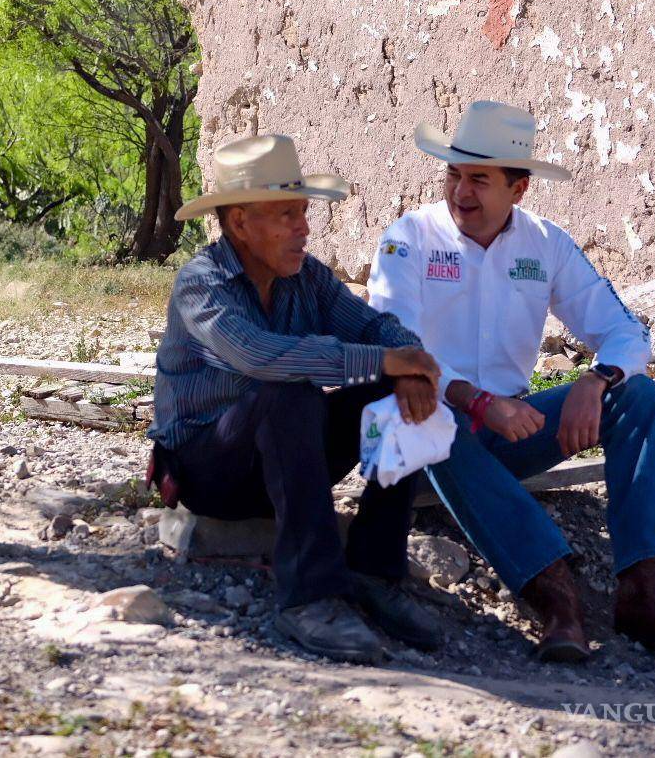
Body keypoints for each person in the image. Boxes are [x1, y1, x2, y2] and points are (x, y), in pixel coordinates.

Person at [367, 101, 655, 663]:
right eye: (454, 174)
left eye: (479, 180)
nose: (460, 192)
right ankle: (557, 598)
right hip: (420, 438)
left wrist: (596, 380)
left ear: (518, 189)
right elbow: (393, 342)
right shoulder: (409, 238)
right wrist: (476, 400)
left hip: (509, 429)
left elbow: (625, 332)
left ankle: (647, 594)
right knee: (428, 415)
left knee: (636, 393)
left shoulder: (546, 243)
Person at [148, 133, 443, 664]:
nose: (303, 227)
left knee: (390, 392)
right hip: (210, 471)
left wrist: (409, 365)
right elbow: (260, 356)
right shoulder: (201, 284)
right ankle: (309, 597)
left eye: (304, 211)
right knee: (288, 391)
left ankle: (374, 571)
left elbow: (373, 326)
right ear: (241, 223)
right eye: (287, 214)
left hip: (285, 460)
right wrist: (386, 360)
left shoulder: (308, 277)